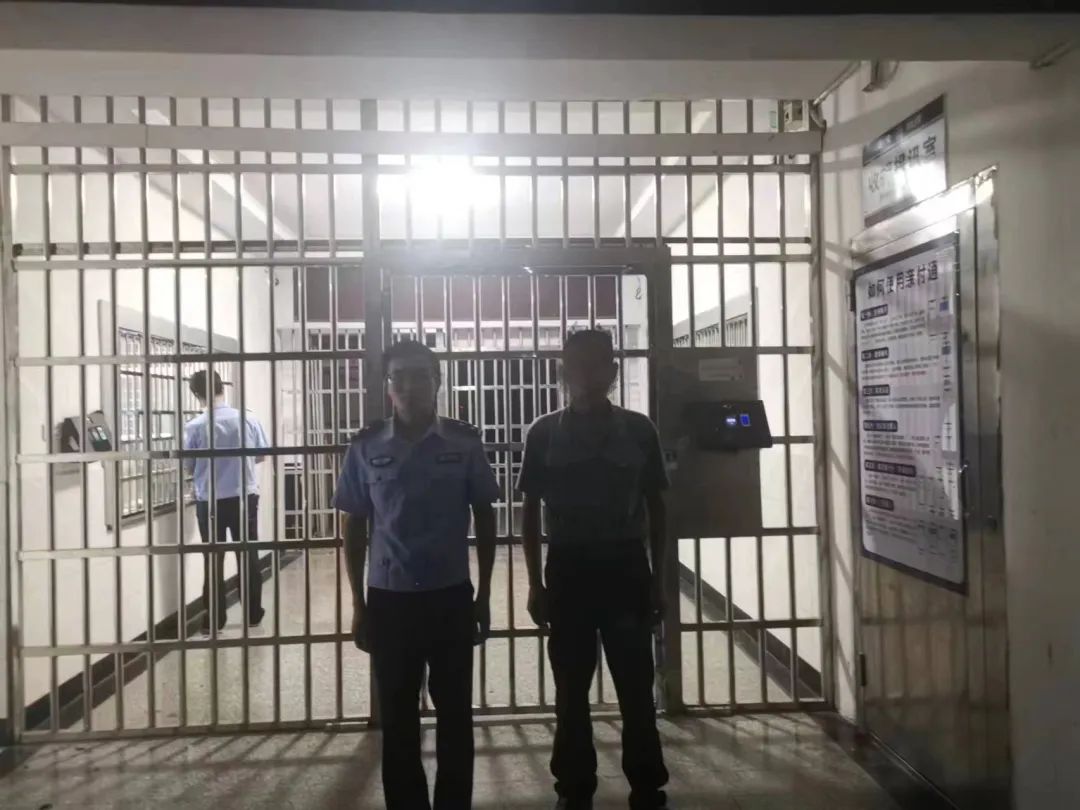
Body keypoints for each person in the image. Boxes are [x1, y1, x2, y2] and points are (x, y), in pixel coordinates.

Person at [333, 339, 499, 810]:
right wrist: (359, 604)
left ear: (438, 382)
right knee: (399, 720)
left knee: (455, 717)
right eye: (399, 376)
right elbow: (354, 526)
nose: (410, 385)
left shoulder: (464, 443)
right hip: (391, 600)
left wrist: (484, 595)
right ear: (388, 386)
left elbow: (486, 517)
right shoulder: (365, 446)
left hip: (450, 596)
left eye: (421, 375)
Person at [518, 329, 670, 810]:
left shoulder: (640, 430)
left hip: (626, 568)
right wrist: (534, 583)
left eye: (597, 363)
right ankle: (574, 787)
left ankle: (646, 785)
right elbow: (529, 512)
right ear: (563, 371)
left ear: (613, 371)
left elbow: (658, 508)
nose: (587, 374)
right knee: (570, 688)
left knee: (636, 686)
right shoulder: (544, 432)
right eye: (577, 364)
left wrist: (659, 580)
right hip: (569, 571)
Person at [183, 369, 270, 634]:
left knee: (213, 559)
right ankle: (253, 613)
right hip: (244, 497)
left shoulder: (195, 426)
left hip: (210, 501)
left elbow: (189, 466)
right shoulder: (248, 418)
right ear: (222, 387)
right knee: (248, 555)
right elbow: (261, 455)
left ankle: (214, 619)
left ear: (196, 394)